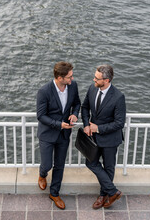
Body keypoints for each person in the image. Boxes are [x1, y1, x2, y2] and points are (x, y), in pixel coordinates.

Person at [36, 61, 81, 209]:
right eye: (69, 77)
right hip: (47, 134)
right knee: (47, 164)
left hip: (64, 134)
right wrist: (59, 124)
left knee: (60, 165)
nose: (72, 79)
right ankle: (42, 174)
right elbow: (41, 116)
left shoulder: (72, 87)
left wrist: (74, 115)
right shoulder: (44, 91)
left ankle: (54, 193)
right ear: (60, 77)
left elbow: (77, 104)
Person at [81, 64, 126, 209]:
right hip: (94, 137)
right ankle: (113, 191)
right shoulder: (92, 88)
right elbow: (85, 107)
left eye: (97, 78)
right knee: (90, 162)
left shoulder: (118, 97)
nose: (93, 79)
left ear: (106, 80)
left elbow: (119, 123)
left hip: (110, 139)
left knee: (109, 167)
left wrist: (98, 128)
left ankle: (103, 195)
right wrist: (86, 124)